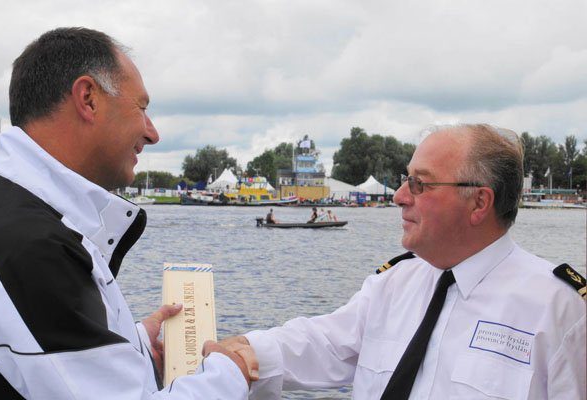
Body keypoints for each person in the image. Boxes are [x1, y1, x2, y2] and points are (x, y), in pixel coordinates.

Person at [222, 124, 586, 399]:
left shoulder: (559, 311)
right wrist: (240, 353)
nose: (398, 197)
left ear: (479, 202)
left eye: (419, 184)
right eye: (405, 180)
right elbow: (325, 343)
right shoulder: (394, 284)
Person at [0, 27, 256, 399]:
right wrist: (230, 373)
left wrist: (133, 346)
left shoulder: (13, 213)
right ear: (88, 98)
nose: (152, 133)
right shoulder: (34, 246)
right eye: (142, 108)